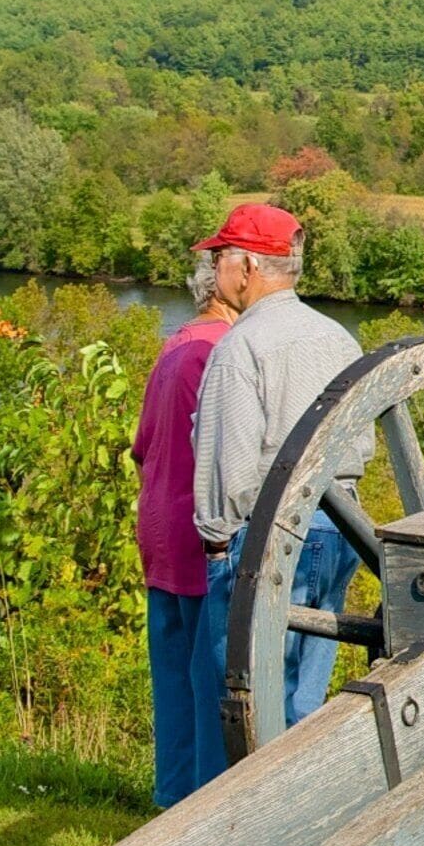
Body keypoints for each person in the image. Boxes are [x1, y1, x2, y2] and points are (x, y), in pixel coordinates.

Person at [186, 200, 364, 748]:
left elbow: (229, 469)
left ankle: (248, 821)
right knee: (303, 700)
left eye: (218, 257)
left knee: (245, 701)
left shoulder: (241, 348)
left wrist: (218, 547)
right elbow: (363, 444)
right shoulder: (338, 337)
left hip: (267, 538)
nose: (214, 270)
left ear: (247, 267)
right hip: (339, 531)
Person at [134, 252, 239, 807]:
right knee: (210, 678)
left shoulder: (174, 345)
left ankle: (171, 797)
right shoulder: (223, 350)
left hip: (157, 524)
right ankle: (204, 807)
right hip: (201, 532)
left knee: (172, 675)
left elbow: (143, 445)